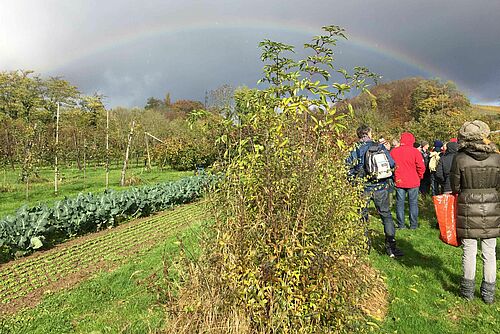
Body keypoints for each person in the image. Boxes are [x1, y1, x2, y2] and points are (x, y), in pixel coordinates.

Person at [451, 120, 500, 304]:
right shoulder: (497, 157)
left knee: (469, 250)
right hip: (492, 208)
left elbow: (455, 186)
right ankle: (488, 295)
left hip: (467, 207)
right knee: (490, 252)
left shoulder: (460, 158)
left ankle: (467, 292)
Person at [347, 125, 403, 258]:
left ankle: (364, 246)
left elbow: (347, 167)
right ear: (368, 134)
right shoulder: (379, 146)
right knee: (386, 215)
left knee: (362, 215)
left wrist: (353, 181)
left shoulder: (355, 148)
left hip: (362, 186)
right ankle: (391, 248)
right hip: (380, 186)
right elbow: (391, 164)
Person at [390, 132, 426, 229]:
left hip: (399, 181)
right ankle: (413, 225)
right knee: (413, 203)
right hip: (413, 181)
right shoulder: (415, 152)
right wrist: (419, 176)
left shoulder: (394, 151)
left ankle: (401, 225)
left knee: (399, 203)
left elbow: (391, 166)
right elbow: (421, 167)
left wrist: (394, 177)